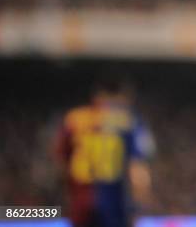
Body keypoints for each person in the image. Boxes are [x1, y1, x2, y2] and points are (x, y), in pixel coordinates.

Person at [54, 78, 155, 227]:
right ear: (122, 96)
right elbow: (137, 170)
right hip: (114, 206)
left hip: (80, 205)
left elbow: (61, 162)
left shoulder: (74, 119)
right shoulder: (127, 120)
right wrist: (139, 206)